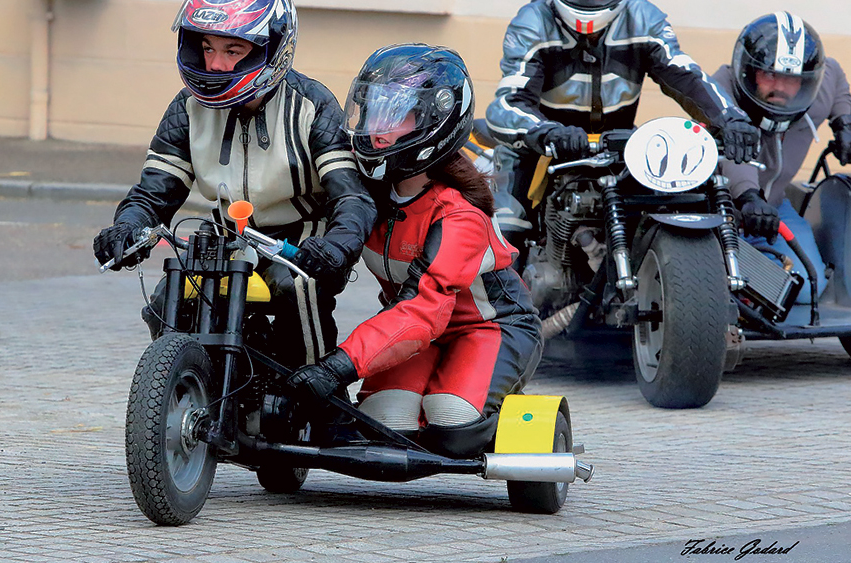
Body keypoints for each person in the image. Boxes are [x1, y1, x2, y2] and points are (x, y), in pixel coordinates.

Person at [285, 44, 544, 459]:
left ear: (436, 122)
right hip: (411, 334)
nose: (376, 130)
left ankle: (485, 402)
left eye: (395, 114)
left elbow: (424, 309)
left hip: (490, 327)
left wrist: (339, 366)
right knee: (384, 424)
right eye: (371, 112)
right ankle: (427, 393)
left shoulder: (459, 213)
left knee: (452, 422)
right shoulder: (362, 196)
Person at [93, 0, 376, 368]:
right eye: (207, 47)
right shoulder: (188, 107)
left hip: (299, 243)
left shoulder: (311, 105)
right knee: (166, 299)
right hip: (228, 241)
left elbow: (352, 195)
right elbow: (152, 193)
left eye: (233, 50)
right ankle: (185, 383)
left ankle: (320, 404)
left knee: (297, 290)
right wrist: (127, 227)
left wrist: (336, 247)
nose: (214, 64)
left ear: (272, 48)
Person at [484, 0, 760, 215]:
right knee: (507, 230)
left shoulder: (643, 16)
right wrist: (547, 132)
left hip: (618, 147)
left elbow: (684, 74)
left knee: (678, 209)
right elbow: (509, 102)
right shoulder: (532, 20)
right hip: (541, 149)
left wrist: (731, 118)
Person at [714, 11, 851, 305]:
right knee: (709, 273)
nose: (780, 87)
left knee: (805, 285)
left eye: (791, 79)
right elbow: (732, 155)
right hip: (716, 212)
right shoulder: (719, 88)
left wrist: (845, 121)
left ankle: (743, 284)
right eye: (770, 74)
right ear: (749, 71)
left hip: (775, 209)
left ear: (806, 80)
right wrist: (748, 196)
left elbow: (836, 75)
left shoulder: (817, 91)